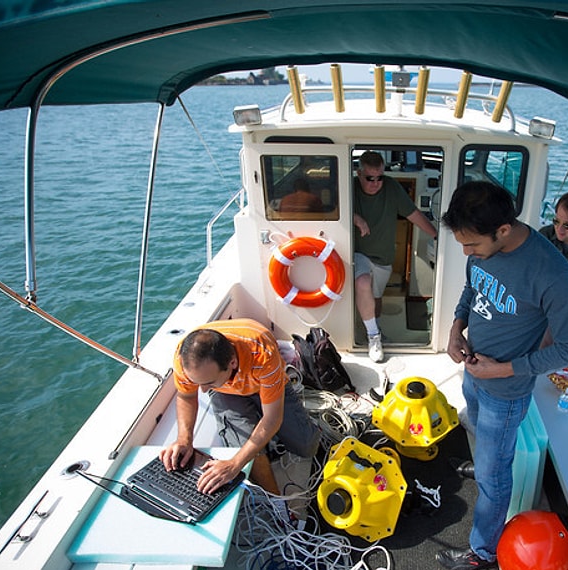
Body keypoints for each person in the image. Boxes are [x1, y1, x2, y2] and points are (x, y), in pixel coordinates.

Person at [437, 181, 568, 570]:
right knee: (482, 441)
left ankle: (483, 550)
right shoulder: (482, 248)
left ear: (503, 230)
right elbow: (472, 290)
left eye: (471, 245)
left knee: (494, 473)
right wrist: (456, 329)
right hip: (474, 374)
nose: (467, 253)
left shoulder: (554, 275)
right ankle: (483, 462)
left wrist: (501, 369)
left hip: (506, 391)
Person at [159, 319, 320, 497]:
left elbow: (272, 418)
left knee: (307, 446)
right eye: (198, 383)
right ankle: (278, 504)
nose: (203, 390)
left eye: (208, 383)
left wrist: (234, 464)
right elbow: (187, 396)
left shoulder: (262, 352)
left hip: (263, 383)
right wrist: (184, 440)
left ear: (233, 363)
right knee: (251, 454)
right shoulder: (185, 359)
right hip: (225, 390)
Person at [353, 150, 438, 362]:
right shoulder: (350, 186)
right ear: (359, 173)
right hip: (358, 253)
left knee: (377, 298)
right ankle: (373, 336)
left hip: (383, 256)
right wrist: (356, 218)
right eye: (369, 178)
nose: (375, 183)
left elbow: (413, 214)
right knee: (363, 282)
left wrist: (437, 235)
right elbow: (334, 209)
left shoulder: (391, 187)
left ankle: (375, 329)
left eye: (379, 177)